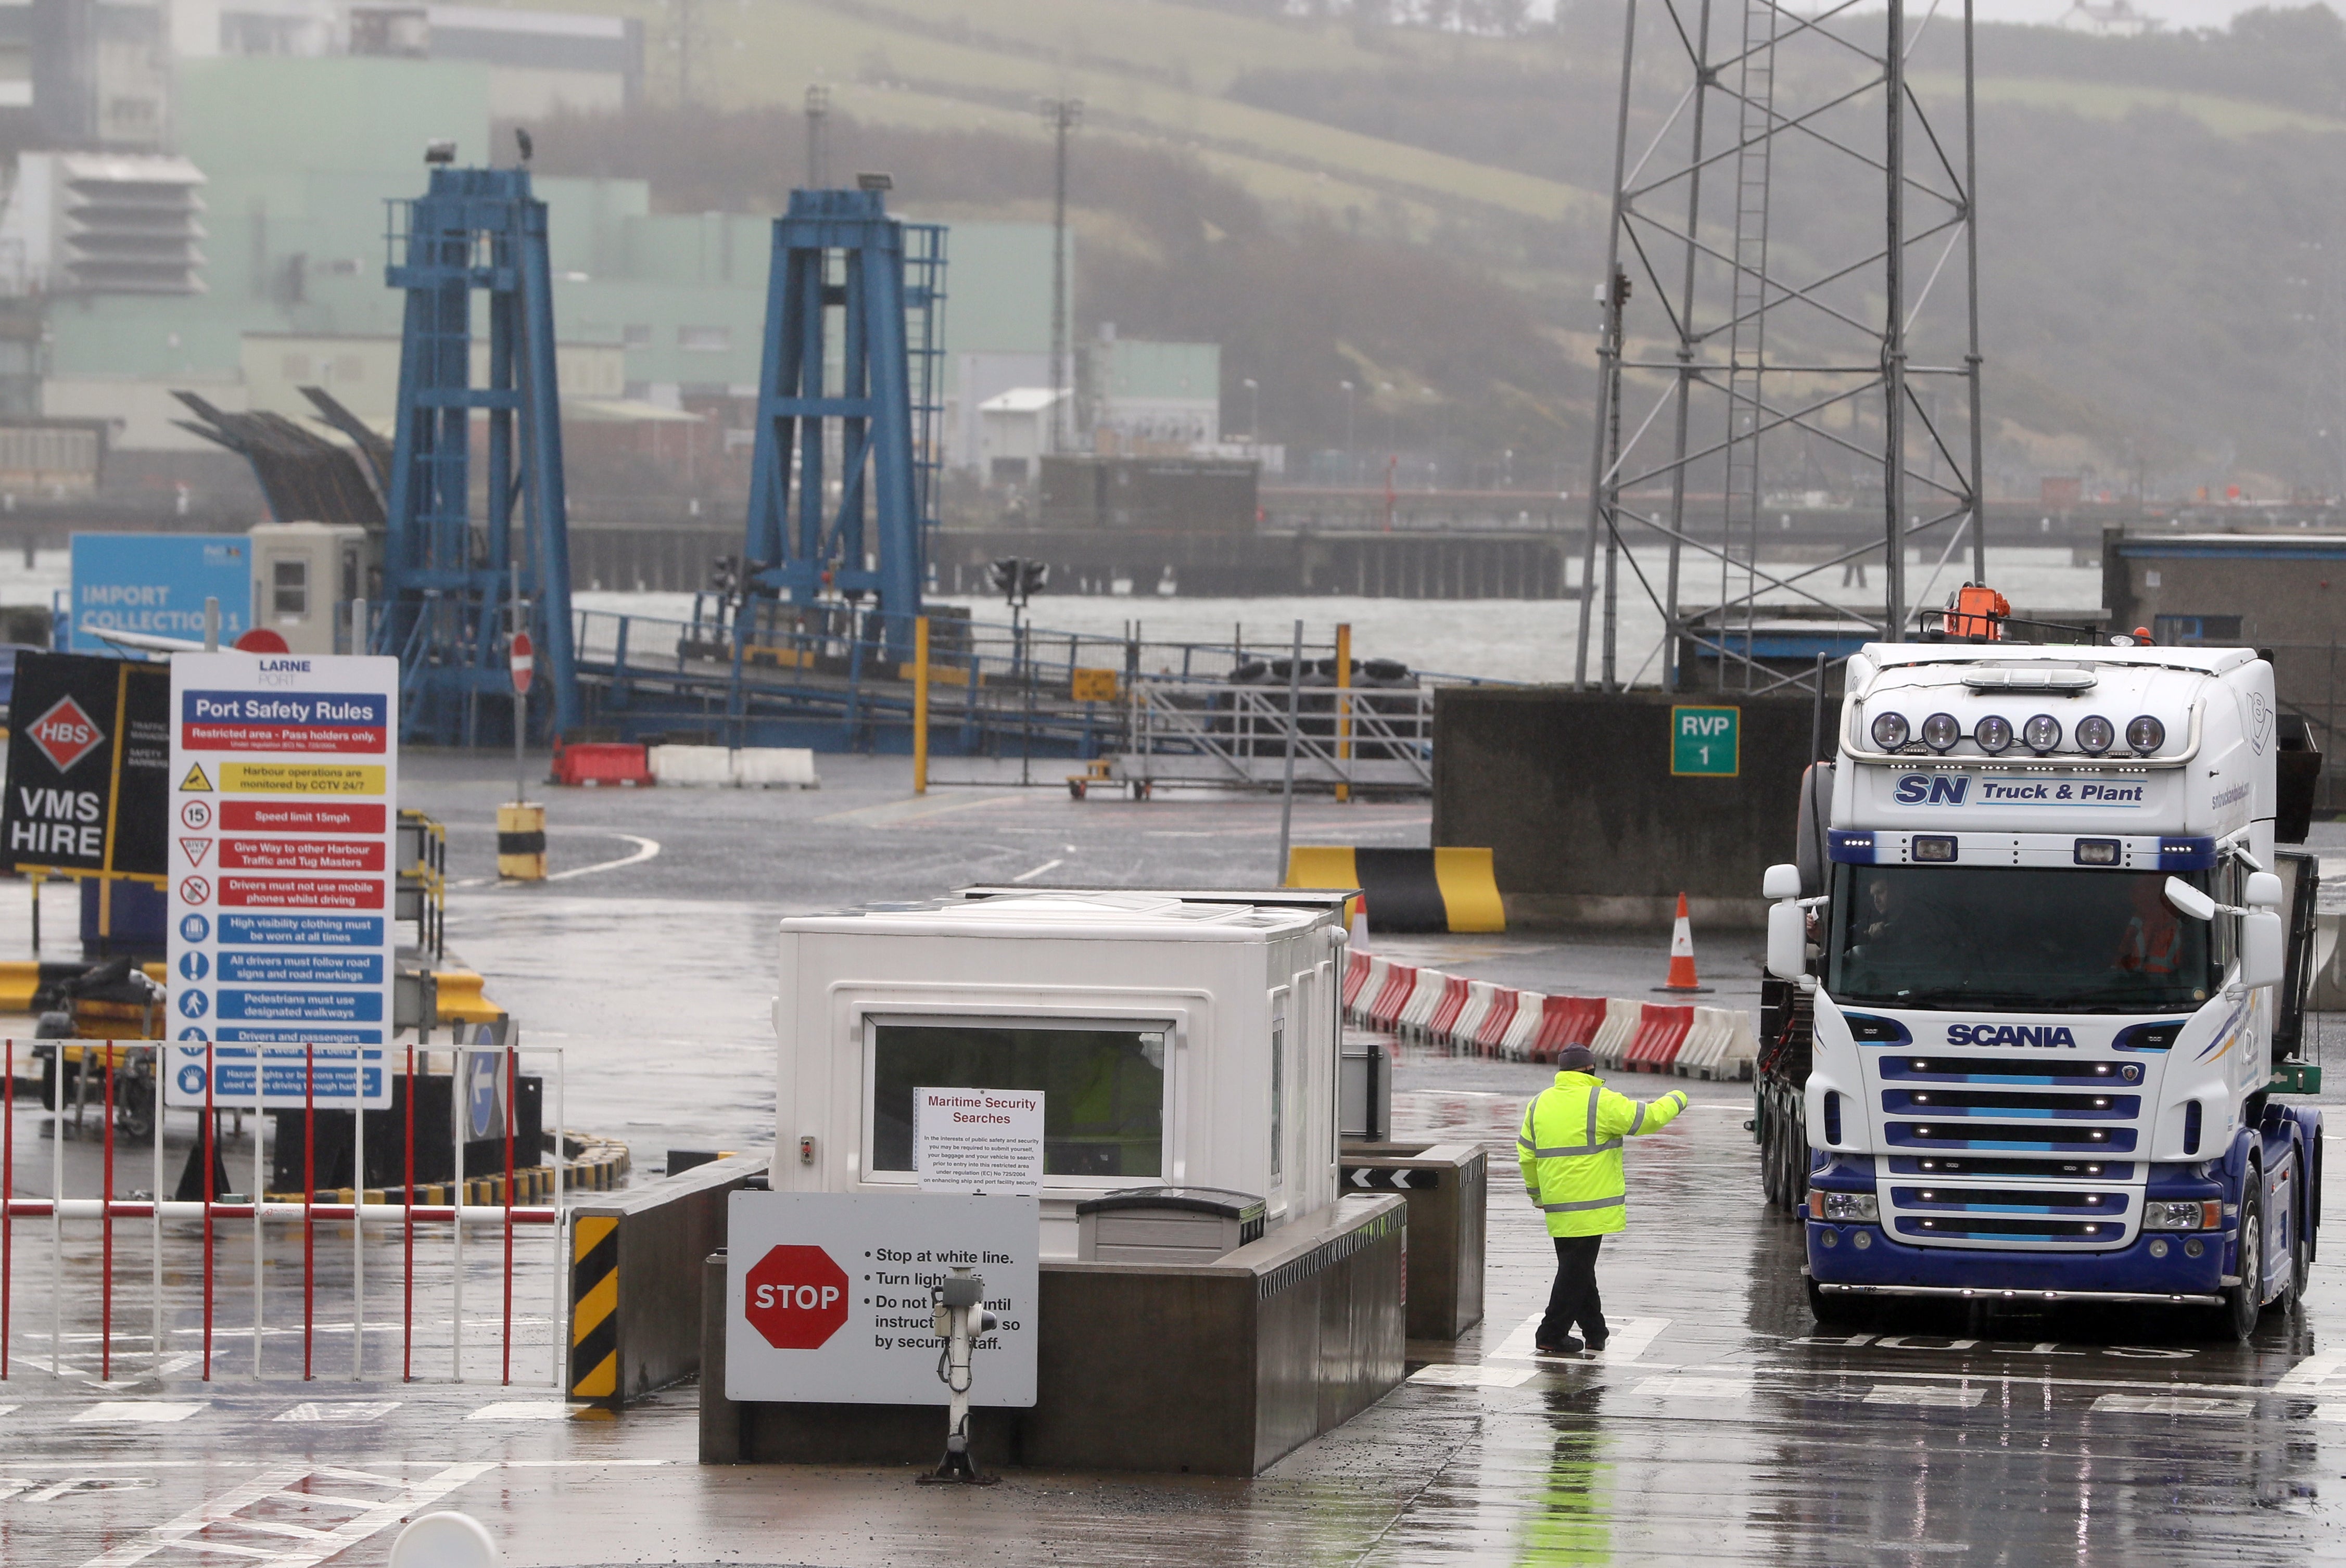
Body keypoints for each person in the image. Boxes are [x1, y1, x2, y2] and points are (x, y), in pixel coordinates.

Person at [1518, 1043, 1688, 1356]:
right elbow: (1647, 1119)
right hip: (1591, 1203)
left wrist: (1537, 1194)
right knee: (1575, 1271)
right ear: (1590, 1069)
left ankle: (1596, 1332)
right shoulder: (1600, 1100)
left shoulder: (1539, 1103)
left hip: (1557, 1203)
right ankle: (1551, 1333)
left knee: (1579, 1269)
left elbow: (1527, 1155)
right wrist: (1678, 1098)